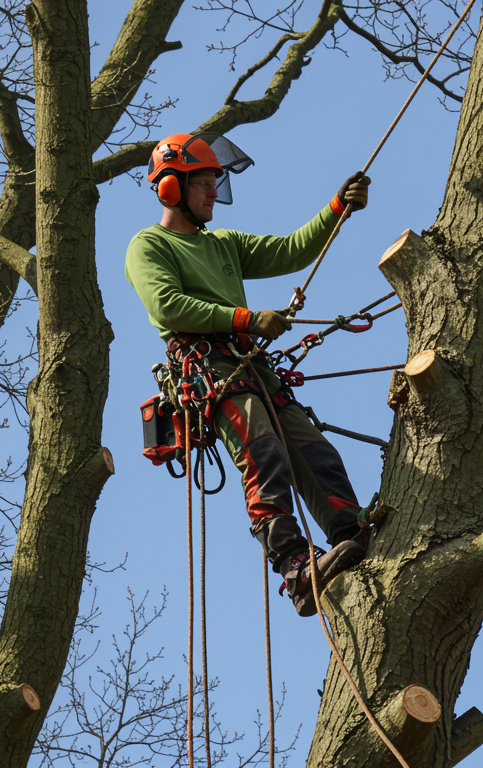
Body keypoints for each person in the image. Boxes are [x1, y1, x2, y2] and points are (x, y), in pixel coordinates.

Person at [125, 132, 373, 617]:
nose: (214, 192)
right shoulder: (149, 245)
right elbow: (168, 305)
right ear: (171, 187)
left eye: (215, 182)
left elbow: (291, 251)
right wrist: (245, 318)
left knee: (315, 451)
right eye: (204, 183)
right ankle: (295, 565)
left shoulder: (225, 244)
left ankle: (352, 531)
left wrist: (336, 209)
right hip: (208, 367)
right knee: (262, 451)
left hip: (251, 363)